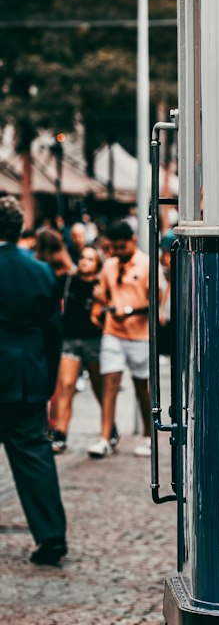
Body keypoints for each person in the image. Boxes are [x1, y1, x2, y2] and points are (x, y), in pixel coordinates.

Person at [0, 196, 69, 566]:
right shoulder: (41, 271)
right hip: (27, 374)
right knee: (34, 456)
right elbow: (51, 333)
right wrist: (48, 378)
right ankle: (51, 534)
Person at [88, 220, 153, 458]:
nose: (116, 252)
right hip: (113, 332)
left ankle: (148, 435)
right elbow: (102, 295)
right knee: (110, 384)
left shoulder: (147, 265)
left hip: (140, 335)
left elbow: (156, 303)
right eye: (113, 247)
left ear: (132, 241)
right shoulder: (109, 266)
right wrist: (98, 307)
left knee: (142, 388)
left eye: (121, 247)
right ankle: (105, 437)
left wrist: (130, 312)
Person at [49, 246, 115, 455]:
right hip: (69, 339)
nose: (85, 262)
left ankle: (110, 430)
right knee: (66, 385)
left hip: (94, 341)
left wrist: (103, 299)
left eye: (90, 259)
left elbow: (110, 309)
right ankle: (60, 433)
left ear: (97, 263)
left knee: (99, 389)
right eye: (83, 258)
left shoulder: (101, 285)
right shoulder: (68, 281)